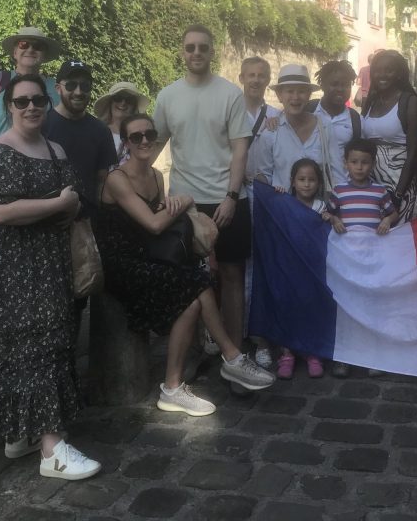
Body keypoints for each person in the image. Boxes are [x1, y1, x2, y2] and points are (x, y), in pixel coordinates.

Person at [95, 113, 275, 415]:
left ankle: (173, 387)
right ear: (125, 143)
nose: (144, 141)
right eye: (135, 137)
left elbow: (159, 221)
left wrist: (175, 205)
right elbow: (153, 223)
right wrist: (186, 201)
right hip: (121, 265)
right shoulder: (117, 178)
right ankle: (231, 357)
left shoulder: (155, 176)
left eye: (149, 135)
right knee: (196, 284)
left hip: (147, 257)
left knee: (193, 297)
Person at [0, 74, 100, 481]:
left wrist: (61, 205)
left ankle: (21, 435)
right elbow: (3, 213)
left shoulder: (54, 147)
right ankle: (52, 449)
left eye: (38, 100)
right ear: (9, 106)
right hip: (11, 267)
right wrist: (56, 204)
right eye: (22, 101)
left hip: (49, 261)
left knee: (52, 341)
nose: (31, 107)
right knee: (27, 345)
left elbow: (75, 200)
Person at [153, 26, 252, 354]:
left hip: (227, 201)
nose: (196, 53)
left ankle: (234, 354)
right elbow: (152, 145)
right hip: (185, 203)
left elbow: (240, 149)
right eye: (190, 47)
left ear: (212, 52)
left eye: (203, 48)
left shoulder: (230, 94)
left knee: (232, 276)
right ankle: (195, 352)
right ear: (182, 51)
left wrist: (232, 197)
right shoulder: (167, 96)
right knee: (190, 281)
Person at [42, 60, 118, 350]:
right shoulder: (43, 123)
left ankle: (67, 376)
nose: (78, 91)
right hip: (44, 227)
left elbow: (104, 182)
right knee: (44, 306)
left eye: (84, 86)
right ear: (58, 87)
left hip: (82, 229)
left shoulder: (99, 131)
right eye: (71, 85)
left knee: (75, 304)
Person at [322, 138, 398, 379]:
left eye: (365, 162)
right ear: (346, 163)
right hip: (347, 261)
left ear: (372, 164)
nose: (359, 167)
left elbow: (393, 213)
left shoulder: (379, 191)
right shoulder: (339, 191)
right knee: (346, 306)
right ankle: (344, 358)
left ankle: (372, 356)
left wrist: (387, 220)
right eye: (354, 162)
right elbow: (328, 213)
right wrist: (334, 220)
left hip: (371, 260)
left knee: (371, 305)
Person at [238, 56, 279, 369]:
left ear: (267, 80)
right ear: (241, 77)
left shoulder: (276, 117)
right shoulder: (229, 111)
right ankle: (236, 331)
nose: (255, 80)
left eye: (261, 75)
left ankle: (260, 335)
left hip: (264, 197)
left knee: (262, 265)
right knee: (234, 267)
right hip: (234, 194)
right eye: (251, 75)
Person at [274, 158, 328, 380]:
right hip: (289, 268)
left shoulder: (321, 207)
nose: (307, 184)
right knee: (289, 307)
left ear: (319, 183)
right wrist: (276, 194)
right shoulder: (285, 202)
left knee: (312, 308)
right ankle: (287, 354)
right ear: (293, 182)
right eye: (302, 179)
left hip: (314, 269)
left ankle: (312, 353)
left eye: (312, 180)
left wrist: (328, 218)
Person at [360, 50, 417, 223]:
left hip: (398, 183)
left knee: (395, 235)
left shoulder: (410, 102)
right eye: (377, 70)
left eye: (389, 70)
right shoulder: (371, 101)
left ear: (399, 74)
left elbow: (413, 153)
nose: (382, 75)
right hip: (369, 180)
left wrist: (398, 193)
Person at [256, 65, 339, 191]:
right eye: (289, 91)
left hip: (318, 209)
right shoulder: (271, 133)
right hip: (283, 207)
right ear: (279, 95)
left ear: (309, 95)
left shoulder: (325, 127)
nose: (295, 97)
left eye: (301, 91)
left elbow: (337, 171)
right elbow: (264, 175)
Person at [0, 26, 62, 141]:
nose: (30, 49)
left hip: (43, 156)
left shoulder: (56, 87)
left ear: (44, 55)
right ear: (15, 52)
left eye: (37, 46)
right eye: (23, 44)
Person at [308, 60, 361, 189]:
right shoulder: (309, 109)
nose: (340, 89)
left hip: (341, 187)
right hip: (308, 187)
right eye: (334, 84)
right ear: (322, 85)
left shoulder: (354, 118)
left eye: (346, 85)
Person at [93, 81, 151, 165]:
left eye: (129, 100)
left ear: (134, 106)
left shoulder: (142, 136)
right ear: (110, 103)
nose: (123, 103)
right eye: (118, 98)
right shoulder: (97, 132)